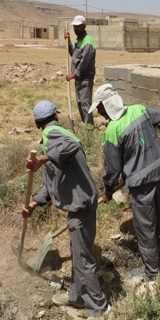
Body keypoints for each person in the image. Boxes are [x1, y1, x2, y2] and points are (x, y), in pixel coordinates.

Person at [20, 100, 108, 317]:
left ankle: (99, 308)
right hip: (79, 206)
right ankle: (77, 297)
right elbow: (51, 184)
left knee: (83, 260)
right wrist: (33, 204)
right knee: (78, 255)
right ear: (56, 116)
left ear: (36, 123)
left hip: (81, 207)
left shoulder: (54, 135)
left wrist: (43, 158)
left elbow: (73, 145)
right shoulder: (49, 143)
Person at [88, 83, 160, 281]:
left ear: (106, 105)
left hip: (141, 186)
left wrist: (107, 190)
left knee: (145, 228)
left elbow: (112, 170)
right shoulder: (139, 109)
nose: (98, 111)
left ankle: (152, 275)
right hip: (159, 174)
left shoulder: (112, 131)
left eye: (99, 107)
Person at [64, 15, 96, 126]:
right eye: (74, 27)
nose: (75, 29)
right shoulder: (79, 40)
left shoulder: (88, 42)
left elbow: (84, 63)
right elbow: (74, 55)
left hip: (85, 78)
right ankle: (85, 125)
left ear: (84, 26)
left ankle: (89, 128)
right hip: (78, 78)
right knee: (79, 102)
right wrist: (68, 41)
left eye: (78, 26)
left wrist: (73, 75)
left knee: (85, 104)